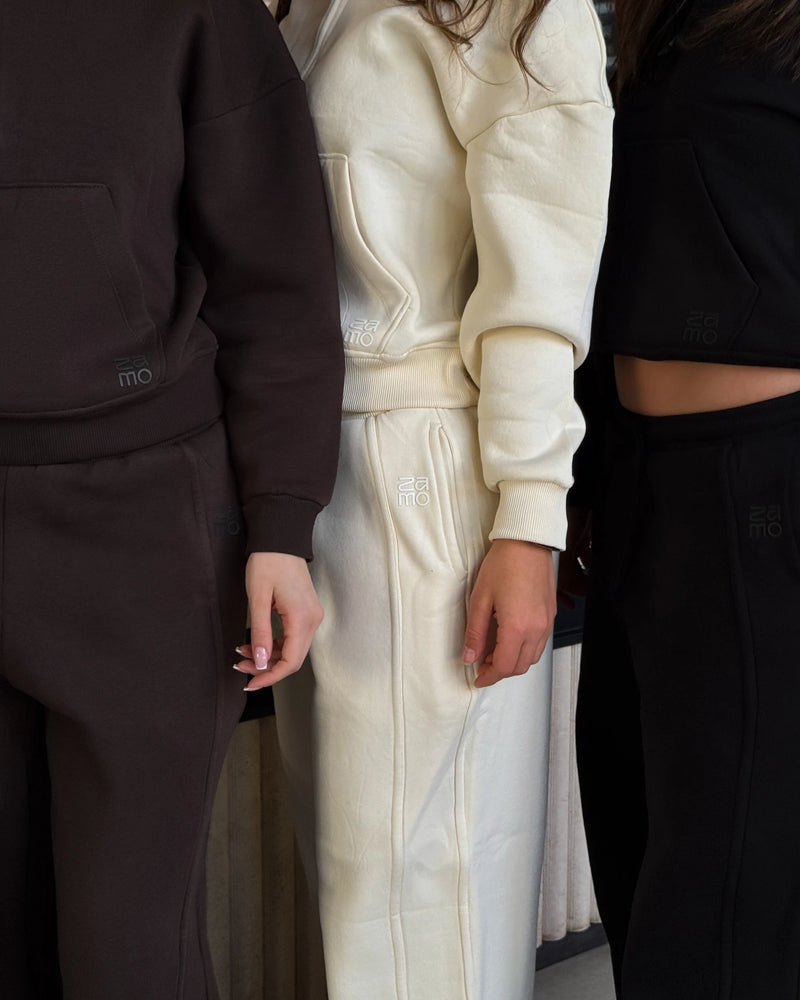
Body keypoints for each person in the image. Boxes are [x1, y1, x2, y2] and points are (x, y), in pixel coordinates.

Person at [242, 1, 613, 996]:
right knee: (360, 877)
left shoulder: (521, 14)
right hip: (315, 468)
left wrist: (527, 517)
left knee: (420, 877)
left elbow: (540, 285)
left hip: (427, 466)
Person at [0, 1, 344, 997]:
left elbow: (276, 280)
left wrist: (281, 525)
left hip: (143, 525)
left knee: (129, 952)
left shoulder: (199, 14)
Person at [569, 1, 800, 997]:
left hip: (763, 481)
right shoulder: (657, 28)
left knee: (721, 883)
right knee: (634, 836)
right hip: (640, 482)